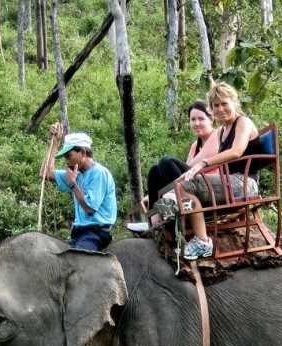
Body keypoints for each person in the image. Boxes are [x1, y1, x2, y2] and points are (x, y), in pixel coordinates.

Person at [177, 82, 265, 260]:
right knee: (181, 184)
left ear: (234, 102)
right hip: (229, 180)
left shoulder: (243, 122)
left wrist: (202, 164)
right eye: (216, 105)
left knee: (186, 187)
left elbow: (236, 151)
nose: (220, 109)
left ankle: (202, 240)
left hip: (245, 183)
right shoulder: (223, 130)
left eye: (224, 103)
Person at [127, 100, 220, 232]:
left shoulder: (216, 136)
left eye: (201, 119)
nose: (196, 123)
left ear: (211, 119)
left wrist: (165, 189)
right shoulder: (195, 145)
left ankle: (176, 203)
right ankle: (153, 221)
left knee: (166, 162)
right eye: (193, 119)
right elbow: (186, 171)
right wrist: (156, 192)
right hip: (195, 182)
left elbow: (192, 167)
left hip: (209, 186)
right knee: (154, 170)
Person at [42, 122, 117, 251]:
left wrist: (72, 184)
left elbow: (90, 208)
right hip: (80, 234)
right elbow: (45, 173)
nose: (66, 160)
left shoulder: (99, 173)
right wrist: (55, 142)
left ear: (82, 152)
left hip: (96, 233)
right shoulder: (76, 174)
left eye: (69, 155)